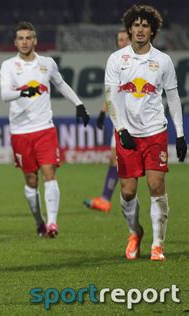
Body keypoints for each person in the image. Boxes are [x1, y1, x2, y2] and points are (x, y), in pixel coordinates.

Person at [104, 5, 186, 261]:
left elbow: (172, 97)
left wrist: (180, 135)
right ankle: (135, 232)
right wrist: (121, 129)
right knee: (128, 191)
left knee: (155, 184)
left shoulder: (163, 60)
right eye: (136, 25)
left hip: (154, 132)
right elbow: (111, 97)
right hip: (127, 133)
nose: (140, 29)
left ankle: (157, 245)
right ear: (129, 29)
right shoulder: (117, 59)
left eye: (145, 25)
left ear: (153, 30)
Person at [0, 21, 90, 238]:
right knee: (31, 180)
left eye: (28, 37)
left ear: (35, 40)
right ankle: (39, 222)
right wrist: (23, 93)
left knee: (49, 173)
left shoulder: (47, 63)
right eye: (20, 38)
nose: (24, 42)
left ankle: (52, 223)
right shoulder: (8, 66)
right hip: (20, 131)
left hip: (45, 128)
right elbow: (4, 94)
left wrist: (79, 104)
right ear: (15, 42)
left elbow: (60, 84)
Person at [83, 29, 130, 212]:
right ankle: (105, 199)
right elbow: (112, 91)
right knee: (114, 159)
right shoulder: (116, 62)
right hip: (120, 119)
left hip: (138, 119)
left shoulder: (138, 61)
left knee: (131, 162)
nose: (123, 42)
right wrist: (103, 112)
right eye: (120, 39)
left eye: (126, 38)